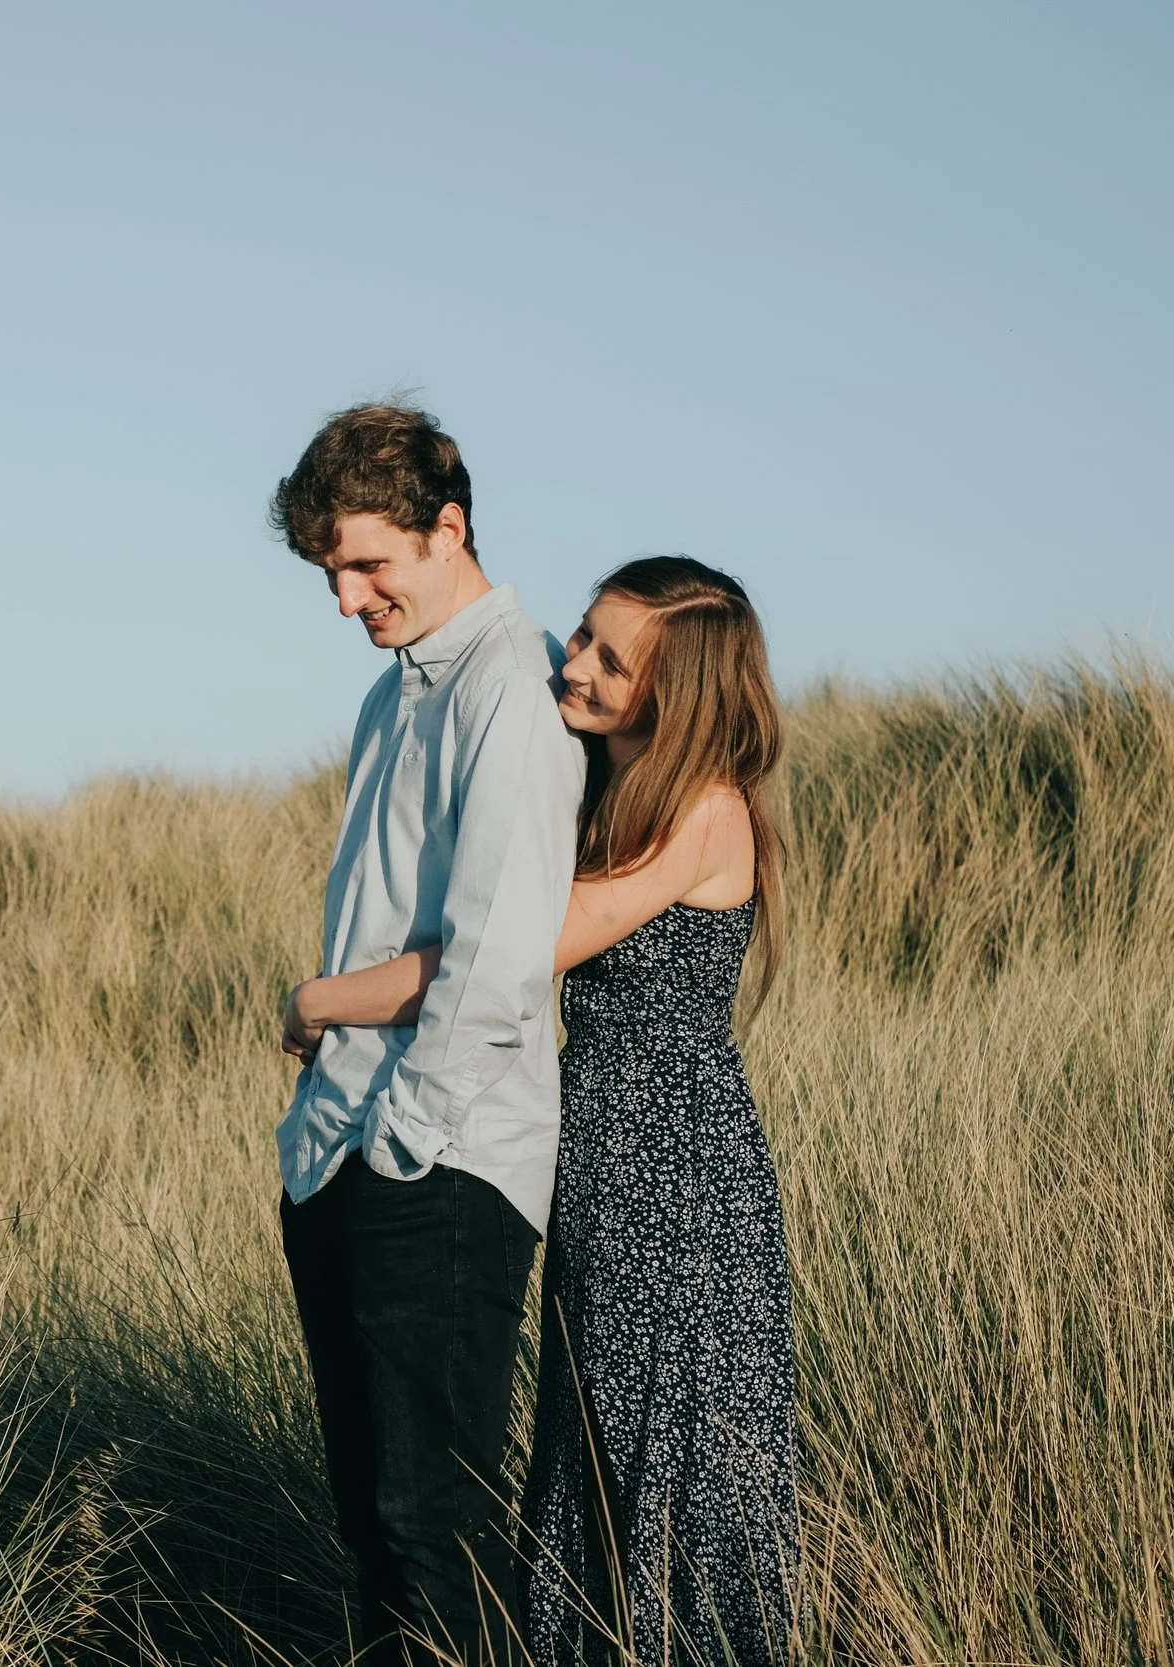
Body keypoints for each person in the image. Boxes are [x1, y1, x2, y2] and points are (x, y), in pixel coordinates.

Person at [269, 404, 584, 1665]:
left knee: (429, 1530)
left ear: (445, 527)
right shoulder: (390, 698)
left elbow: (495, 962)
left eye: (365, 565)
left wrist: (405, 1140)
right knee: (375, 1530)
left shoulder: (510, 689)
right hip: (341, 1154)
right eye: (331, 572)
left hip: (435, 1167)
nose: (346, 598)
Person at [521, 556, 799, 1666]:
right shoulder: (615, 790)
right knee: (595, 1432)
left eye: (608, 658)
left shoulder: (702, 808)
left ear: (673, 695)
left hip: (672, 1166)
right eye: (582, 636)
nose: (575, 666)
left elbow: (532, 944)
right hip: (602, 1150)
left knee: (663, 1442)